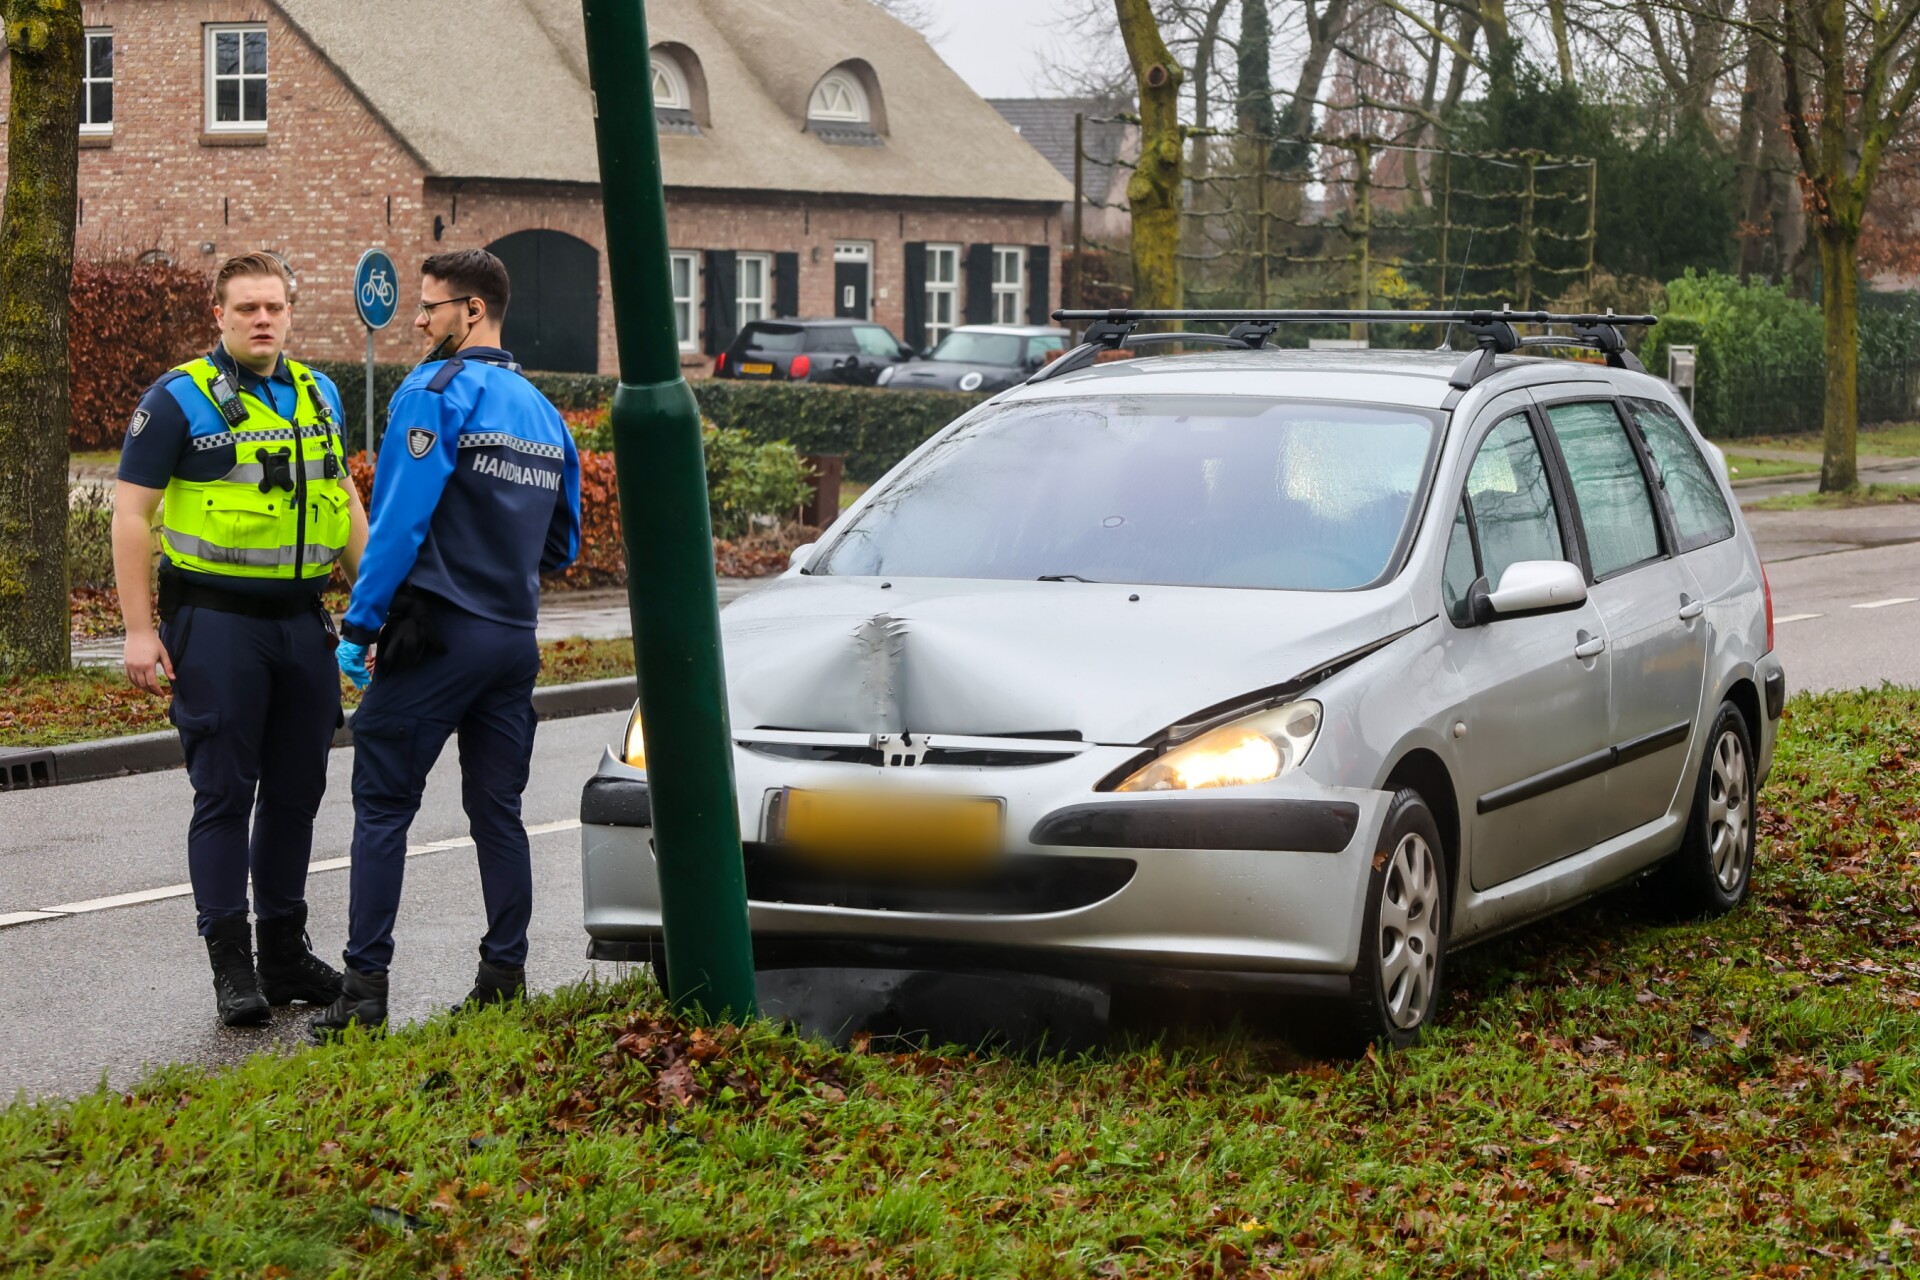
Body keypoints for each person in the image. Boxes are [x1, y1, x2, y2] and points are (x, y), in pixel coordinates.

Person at [310, 249, 582, 1039]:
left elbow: (397, 520)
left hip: (436, 637)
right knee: (498, 812)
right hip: (512, 641)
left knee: (383, 806)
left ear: (473, 311)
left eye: (430, 307)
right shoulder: (543, 411)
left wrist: (361, 626)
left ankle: (364, 993)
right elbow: (562, 546)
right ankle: (505, 973)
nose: (419, 321)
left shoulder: (433, 393)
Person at [113, 251, 369, 1027]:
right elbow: (130, 515)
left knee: (296, 796)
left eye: (275, 308)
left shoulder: (319, 394)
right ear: (218, 315)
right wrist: (138, 630)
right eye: (246, 308)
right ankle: (232, 967)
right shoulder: (178, 399)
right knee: (224, 794)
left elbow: (342, 497)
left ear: (292, 312)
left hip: (301, 626)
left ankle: (284, 954)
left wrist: (379, 599)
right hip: (216, 625)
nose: (263, 319)